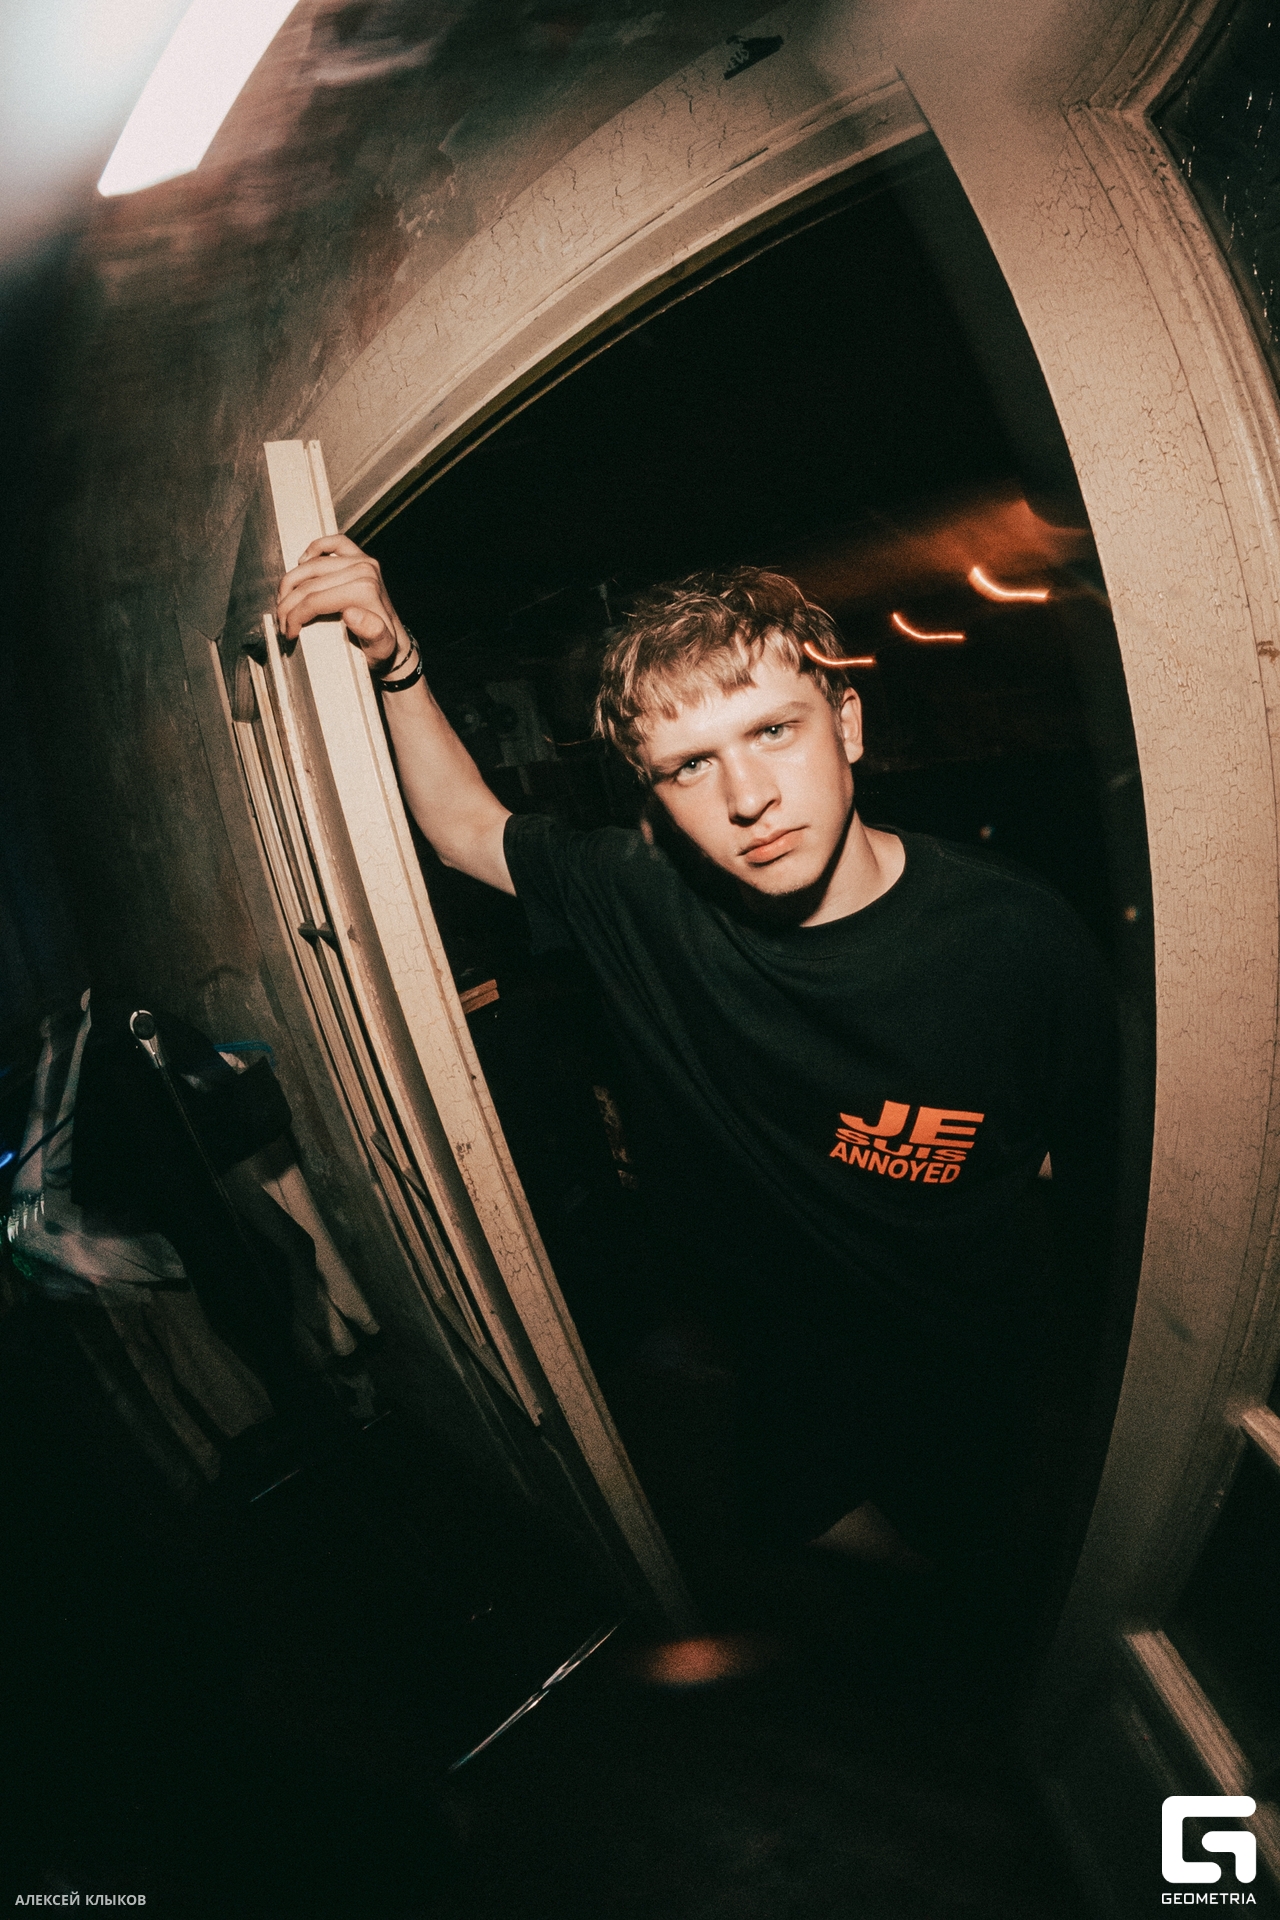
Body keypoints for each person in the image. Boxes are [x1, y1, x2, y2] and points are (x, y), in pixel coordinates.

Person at [276, 535, 1116, 1587]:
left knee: (997, 1567)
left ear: (847, 725)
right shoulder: (645, 900)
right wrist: (398, 663)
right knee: (814, 1531)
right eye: (689, 765)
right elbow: (464, 832)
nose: (747, 796)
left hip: (972, 1361)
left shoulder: (1016, 940)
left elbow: (1101, 1180)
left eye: (773, 729)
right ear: (652, 795)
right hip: (782, 1355)